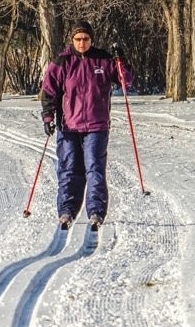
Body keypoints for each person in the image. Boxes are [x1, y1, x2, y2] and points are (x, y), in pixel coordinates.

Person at [40, 20, 133, 228]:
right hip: (68, 125)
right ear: (72, 40)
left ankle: (96, 213)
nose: (82, 43)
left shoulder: (103, 60)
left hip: (96, 125)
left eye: (86, 39)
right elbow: (48, 92)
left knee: (95, 169)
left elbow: (126, 81)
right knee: (69, 169)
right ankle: (66, 211)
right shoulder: (62, 62)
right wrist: (48, 117)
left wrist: (121, 60)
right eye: (78, 39)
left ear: (92, 39)